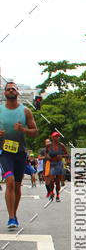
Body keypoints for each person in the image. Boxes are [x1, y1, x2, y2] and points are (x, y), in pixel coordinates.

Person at [0, 82, 38, 227]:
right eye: (8, 89)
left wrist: (23, 130)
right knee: (9, 181)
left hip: (20, 153)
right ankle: (10, 217)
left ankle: (14, 214)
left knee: (17, 185)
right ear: (4, 93)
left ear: (18, 92)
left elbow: (35, 132)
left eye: (13, 89)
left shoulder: (25, 111)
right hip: (4, 152)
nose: (11, 90)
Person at [45, 131, 68, 201]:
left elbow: (67, 154)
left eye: (58, 136)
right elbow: (46, 153)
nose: (56, 138)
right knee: (51, 180)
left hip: (59, 164)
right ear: (52, 137)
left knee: (57, 182)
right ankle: (52, 192)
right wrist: (48, 156)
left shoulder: (61, 145)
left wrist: (61, 156)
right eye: (55, 136)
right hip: (52, 164)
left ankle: (58, 195)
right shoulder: (49, 146)